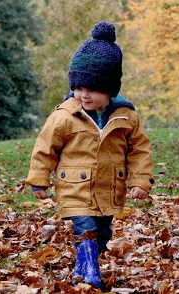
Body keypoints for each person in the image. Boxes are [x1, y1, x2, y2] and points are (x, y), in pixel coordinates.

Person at [25, 21, 154, 288]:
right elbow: (45, 146)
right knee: (86, 229)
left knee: (103, 232)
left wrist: (140, 181)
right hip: (74, 186)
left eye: (92, 89)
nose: (83, 94)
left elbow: (139, 149)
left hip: (109, 189)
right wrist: (39, 178)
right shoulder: (64, 116)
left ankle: (83, 266)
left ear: (109, 90)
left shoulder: (126, 116)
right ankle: (91, 274)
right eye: (79, 87)